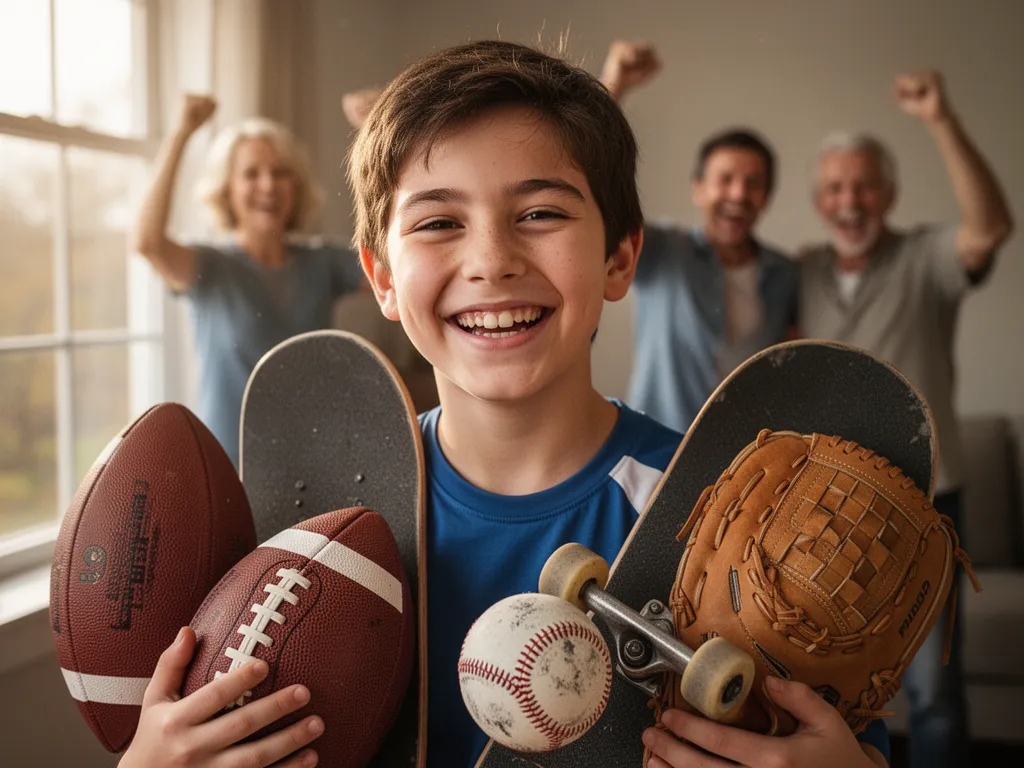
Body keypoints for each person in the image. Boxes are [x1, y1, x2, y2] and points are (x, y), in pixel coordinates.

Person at [118, 41, 890, 768]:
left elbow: (832, 736)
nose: (491, 259)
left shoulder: (729, 519)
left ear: (621, 255)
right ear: (382, 278)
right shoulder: (303, 527)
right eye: (438, 223)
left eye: (541, 213)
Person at [800, 70, 1014, 768]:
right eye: (834, 188)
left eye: (863, 186)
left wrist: (940, 118)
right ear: (818, 202)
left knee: (932, 695)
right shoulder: (799, 273)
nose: (849, 201)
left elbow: (990, 226)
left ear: (887, 195)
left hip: (926, 506)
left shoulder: (925, 259)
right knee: (825, 688)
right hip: (833, 511)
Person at [131, 95, 366, 466]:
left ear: (297, 186)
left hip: (316, 466)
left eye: (281, 173)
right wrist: (181, 133)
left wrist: (376, 136)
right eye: (251, 174)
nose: (269, 186)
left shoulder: (323, 263)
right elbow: (147, 242)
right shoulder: (209, 267)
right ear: (227, 189)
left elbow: (395, 268)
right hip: (228, 470)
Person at [601, 41, 799, 434]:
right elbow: (601, 186)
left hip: (746, 462)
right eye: (725, 180)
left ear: (767, 198)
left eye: (753, 183)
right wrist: (614, 86)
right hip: (658, 451)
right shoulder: (660, 252)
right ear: (698, 189)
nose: (739, 194)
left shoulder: (786, 273)